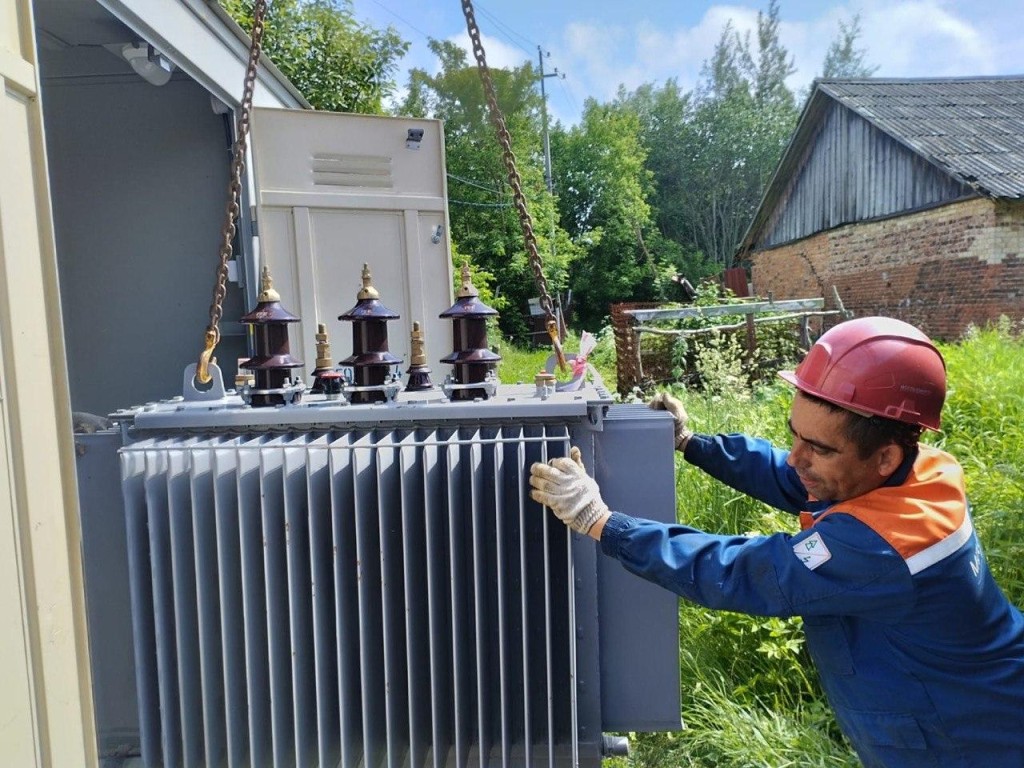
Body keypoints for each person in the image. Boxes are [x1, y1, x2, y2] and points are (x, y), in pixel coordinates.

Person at [529, 316, 1024, 767]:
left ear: (886, 457)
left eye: (819, 448)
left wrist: (601, 522)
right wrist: (692, 443)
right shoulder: (920, 471)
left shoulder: (880, 550)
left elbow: (741, 572)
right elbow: (796, 480)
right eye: (796, 435)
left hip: (969, 741)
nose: (794, 458)